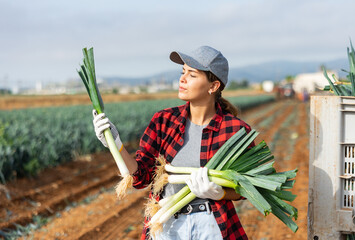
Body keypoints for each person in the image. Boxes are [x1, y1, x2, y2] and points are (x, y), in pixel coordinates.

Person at [92, 46, 253, 240]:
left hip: (211, 224)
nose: (182, 79)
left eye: (192, 75)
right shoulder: (164, 121)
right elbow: (140, 177)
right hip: (167, 225)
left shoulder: (235, 130)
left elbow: (247, 187)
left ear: (213, 86)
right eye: (182, 72)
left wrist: (219, 193)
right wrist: (115, 144)